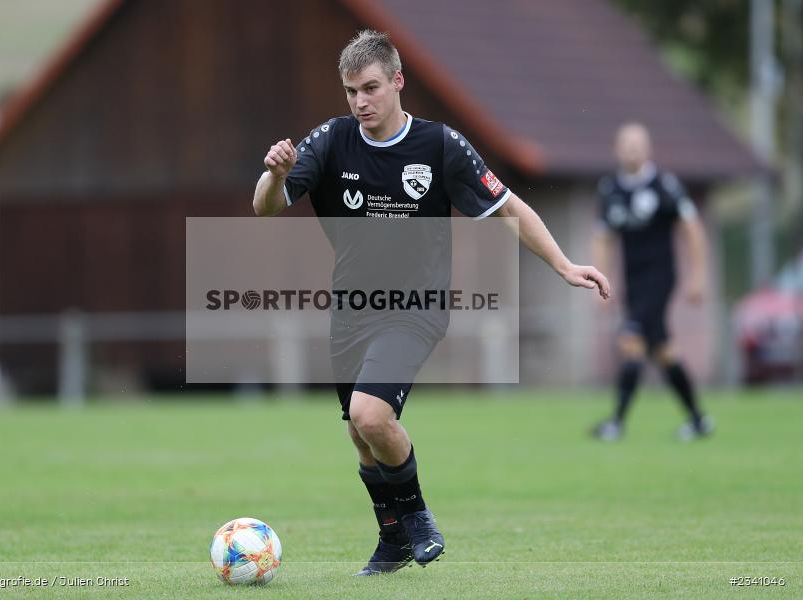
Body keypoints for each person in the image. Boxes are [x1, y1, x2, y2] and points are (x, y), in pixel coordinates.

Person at [252, 30, 610, 575]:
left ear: (397, 81)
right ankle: (391, 540)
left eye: (370, 88)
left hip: (414, 307)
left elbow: (510, 208)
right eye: (350, 91)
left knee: (372, 415)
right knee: (358, 430)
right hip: (351, 309)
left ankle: (416, 517)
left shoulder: (440, 146)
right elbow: (265, 209)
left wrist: (564, 264)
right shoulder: (329, 140)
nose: (360, 102)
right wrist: (275, 175)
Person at [592, 122, 714, 442]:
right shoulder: (610, 190)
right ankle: (699, 420)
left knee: (631, 339)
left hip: (661, 278)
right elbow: (603, 238)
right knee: (663, 351)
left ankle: (616, 424)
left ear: (648, 149)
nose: (632, 149)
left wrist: (698, 276)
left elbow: (692, 228)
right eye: (626, 144)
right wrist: (599, 282)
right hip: (633, 281)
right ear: (616, 149)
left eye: (638, 144)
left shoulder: (664, 186)